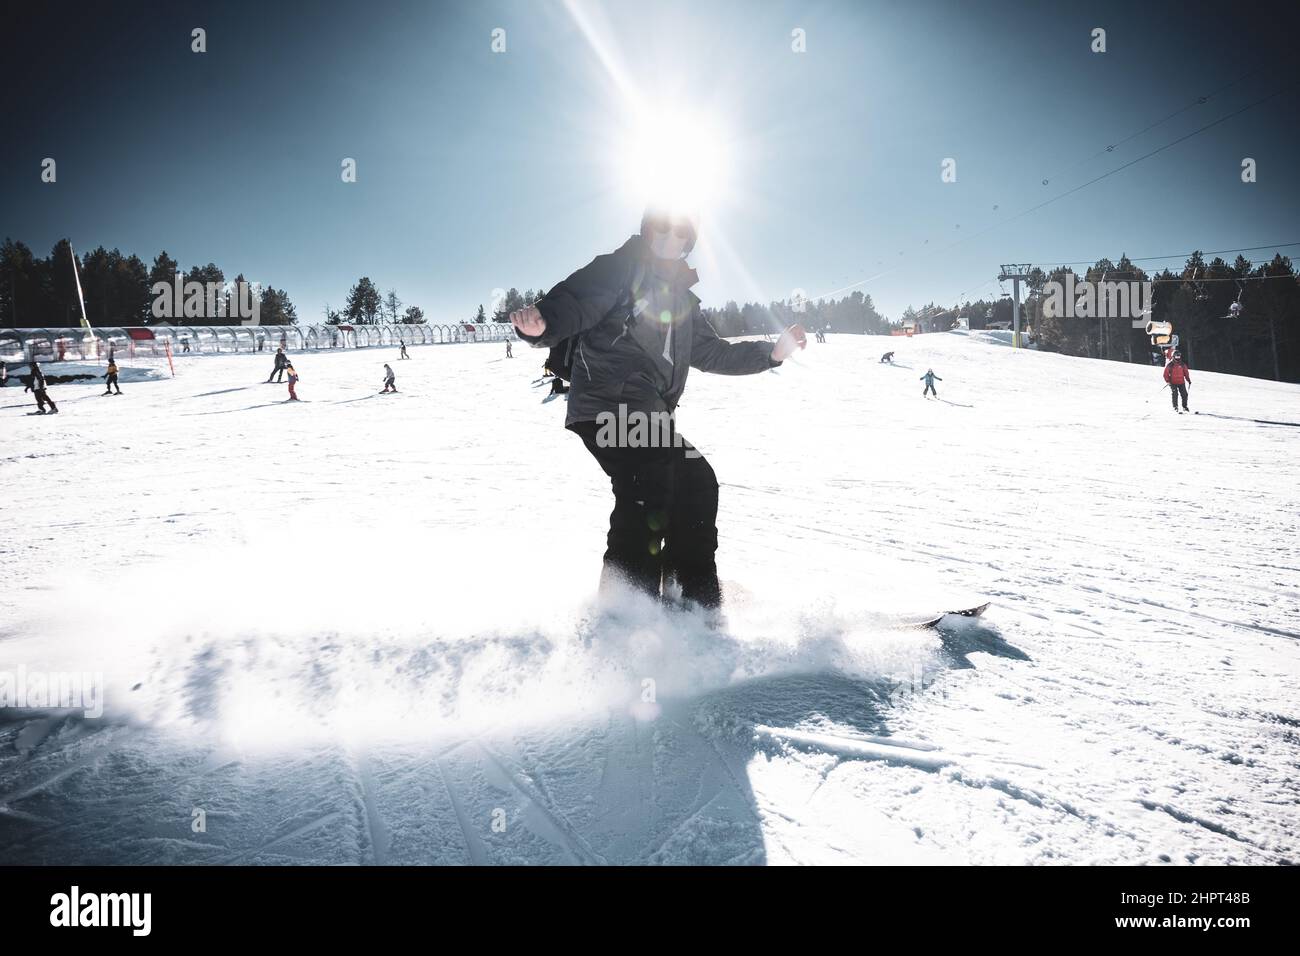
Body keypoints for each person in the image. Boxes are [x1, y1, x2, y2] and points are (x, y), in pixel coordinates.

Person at [510, 205, 806, 613]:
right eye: (662, 228)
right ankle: (627, 607)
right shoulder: (619, 269)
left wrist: (769, 354)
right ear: (648, 231)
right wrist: (545, 323)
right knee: (648, 482)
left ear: (689, 241)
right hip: (605, 408)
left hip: (647, 417)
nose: (671, 238)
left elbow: (712, 351)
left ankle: (690, 594)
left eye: (681, 232)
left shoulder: (682, 299)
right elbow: (577, 301)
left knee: (697, 482)